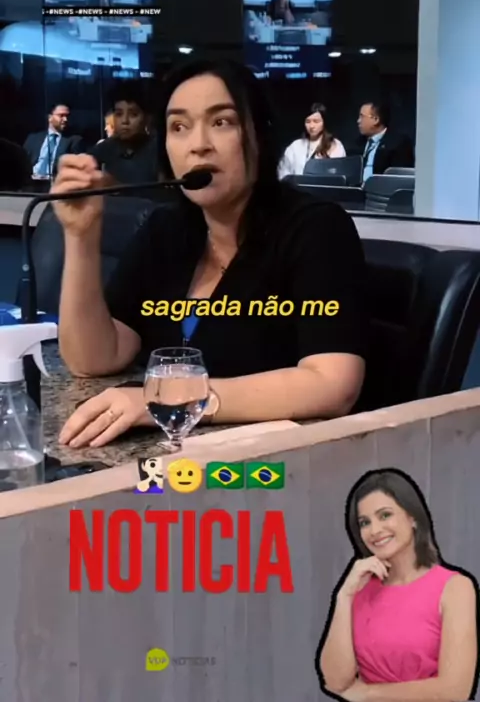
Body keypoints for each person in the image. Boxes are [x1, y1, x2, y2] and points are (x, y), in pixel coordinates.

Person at [53, 58, 367, 448]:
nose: (198, 144)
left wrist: (178, 399)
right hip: (175, 456)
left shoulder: (316, 228)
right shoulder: (165, 229)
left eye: (221, 122)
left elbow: (333, 383)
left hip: (275, 464)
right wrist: (80, 238)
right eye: (179, 127)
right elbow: (94, 359)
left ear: (259, 135)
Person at [317, 469, 478, 701]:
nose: (374, 530)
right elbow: (335, 681)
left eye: (385, 515)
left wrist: (367, 694)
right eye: (365, 522)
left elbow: (455, 691)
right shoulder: (359, 589)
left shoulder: (455, 588)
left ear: (412, 517)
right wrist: (344, 596)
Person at [89, 87, 158, 184]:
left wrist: (113, 184)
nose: (125, 121)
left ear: (147, 118)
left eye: (133, 114)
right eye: (119, 114)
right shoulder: (106, 147)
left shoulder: (158, 149)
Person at [350, 102, 414, 183]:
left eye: (362, 117)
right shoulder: (358, 143)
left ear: (376, 120)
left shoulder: (398, 143)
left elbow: (400, 177)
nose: (358, 121)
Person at [278, 103, 346, 179]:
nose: (311, 126)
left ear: (324, 122)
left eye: (316, 121)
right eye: (308, 122)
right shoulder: (295, 146)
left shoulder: (335, 145)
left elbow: (339, 173)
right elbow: (283, 172)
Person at [23, 104, 84, 179]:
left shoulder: (74, 140)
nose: (65, 119)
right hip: (32, 180)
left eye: (67, 116)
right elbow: (23, 162)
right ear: (50, 117)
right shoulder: (33, 138)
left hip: (55, 182)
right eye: (61, 115)